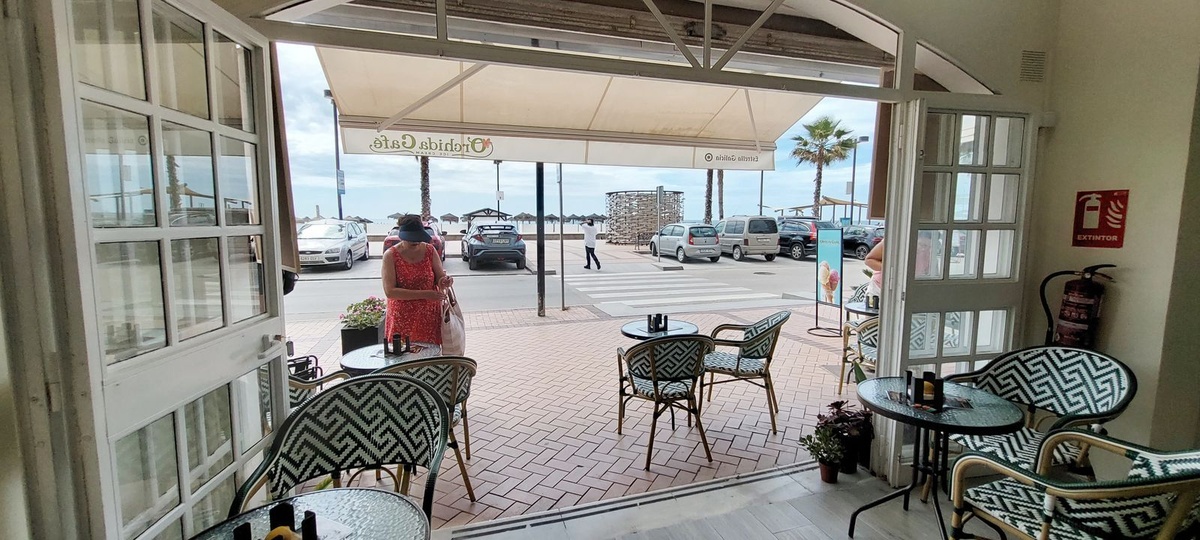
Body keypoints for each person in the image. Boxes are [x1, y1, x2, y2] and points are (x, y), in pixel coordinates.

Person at [382, 215, 453, 346]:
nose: (416, 242)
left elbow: (439, 277)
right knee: (403, 354)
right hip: (402, 317)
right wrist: (425, 294)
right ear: (402, 237)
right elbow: (390, 292)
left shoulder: (430, 250)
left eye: (418, 239)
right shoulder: (390, 255)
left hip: (429, 317)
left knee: (430, 354)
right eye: (411, 240)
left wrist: (444, 281)